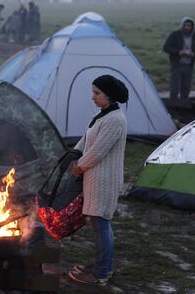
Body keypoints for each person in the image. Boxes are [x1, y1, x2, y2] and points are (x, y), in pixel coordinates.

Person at [68, 74, 128, 286]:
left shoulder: (115, 120)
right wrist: (71, 157)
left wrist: (79, 166)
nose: (92, 97)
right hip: (95, 179)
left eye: (97, 93)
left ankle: (101, 272)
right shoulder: (102, 116)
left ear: (109, 96)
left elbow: (98, 151)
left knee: (101, 224)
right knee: (98, 223)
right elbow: (85, 142)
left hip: (104, 180)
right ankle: (101, 265)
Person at [163, 17, 195, 101]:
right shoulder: (175, 35)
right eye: (185, 25)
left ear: (192, 27)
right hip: (176, 65)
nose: (186, 27)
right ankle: (173, 105)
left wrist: (194, 54)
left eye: (189, 26)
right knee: (175, 88)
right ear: (181, 25)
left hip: (189, 66)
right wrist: (179, 52)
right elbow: (166, 47)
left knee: (186, 88)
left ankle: (184, 105)